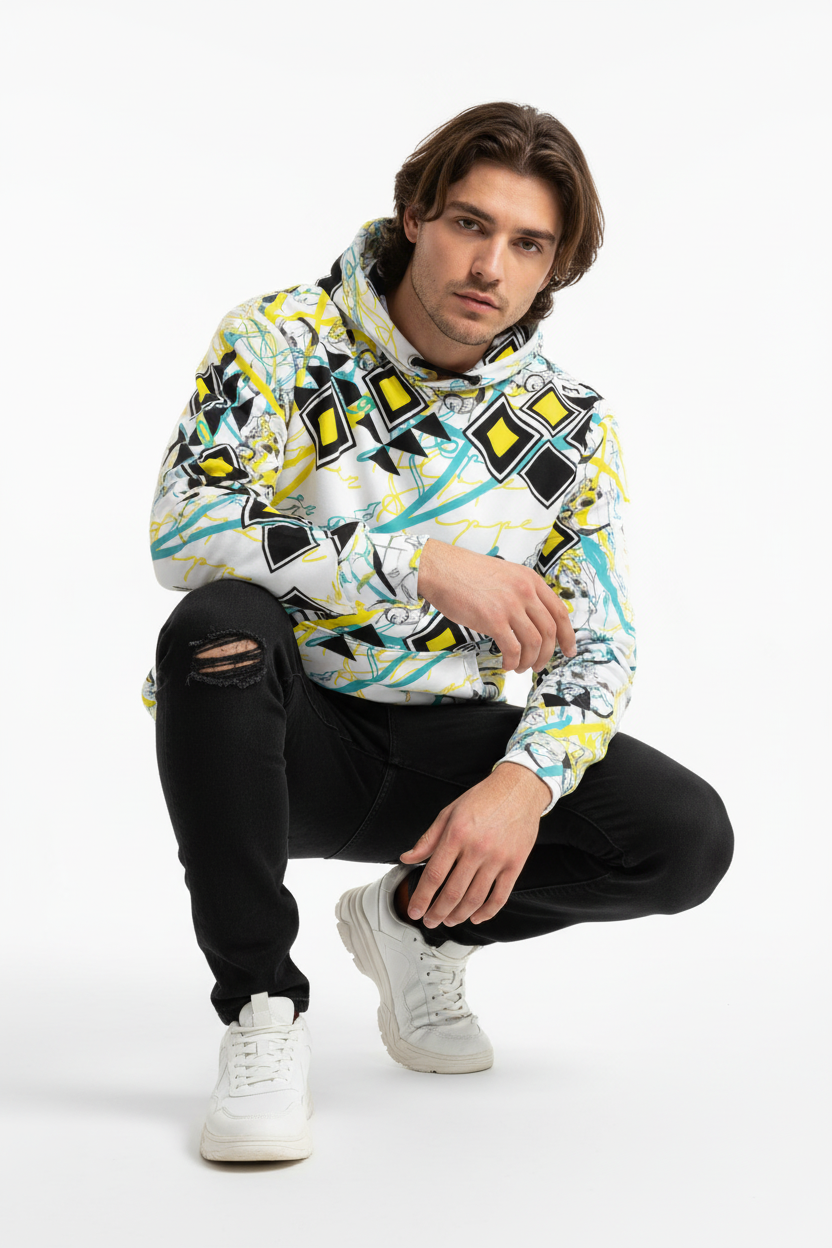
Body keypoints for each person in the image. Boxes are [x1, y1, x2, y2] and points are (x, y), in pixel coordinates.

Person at [146, 101, 733, 1163]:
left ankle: (416, 922)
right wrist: (419, 563)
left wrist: (524, 784)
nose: (489, 267)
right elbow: (185, 530)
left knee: (684, 837)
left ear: (554, 266)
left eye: (528, 245)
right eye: (470, 224)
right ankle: (261, 1011)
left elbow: (600, 644)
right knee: (216, 624)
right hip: (278, 739)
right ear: (416, 215)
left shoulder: (570, 423)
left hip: (443, 756)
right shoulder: (278, 338)